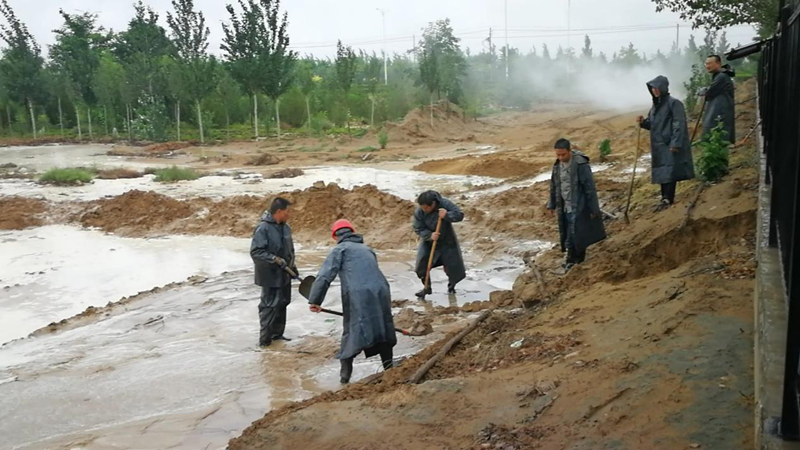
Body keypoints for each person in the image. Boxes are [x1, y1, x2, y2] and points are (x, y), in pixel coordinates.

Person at [308, 219, 397, 384]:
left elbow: (325, 276)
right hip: (381, 290)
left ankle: (344, 377)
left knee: (351, 331)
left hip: (358, 294)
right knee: (382, 326)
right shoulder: (367, 249)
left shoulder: (339, 250)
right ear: (353, 231)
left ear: (335, 236)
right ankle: (389, 368)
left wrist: (315, 300)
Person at [546, 138, 607, 271]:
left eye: (563, 155)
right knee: (568, 232)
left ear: (570, 151)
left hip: (580, 205)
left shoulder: (581, 164)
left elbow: (589, 188)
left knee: (578, 233)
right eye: (558, 155)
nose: (561, 158)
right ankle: (570, 258)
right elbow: (554, 186)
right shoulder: (557, 166)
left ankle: (577, 259)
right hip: (565, 206)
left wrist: (594, 209)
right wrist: (551, 205)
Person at [637, 75, 696, 211]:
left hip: (669, 144)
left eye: (657, 88)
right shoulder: (655, 107)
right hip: (658, 145)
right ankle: (664, 198)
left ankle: (668, 198)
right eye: (652, 89)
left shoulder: (674, 103)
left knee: (670, 171)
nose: (655, 91)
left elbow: (678, 124)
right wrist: (643, 123)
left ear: (663, 88)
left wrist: (675, 143)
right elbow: (653, 124)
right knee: (663, 172)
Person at [250, 197, 296, 347]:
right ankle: (264, 342)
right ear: (278, 211)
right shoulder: (263, 228)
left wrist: (292, 266)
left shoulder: (286, 227)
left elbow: (289, 250)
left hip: (285, 274)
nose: (289, 214)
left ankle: (277, 335)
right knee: (269, 306)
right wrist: (274, 259)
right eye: (287, 211)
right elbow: (256, 252)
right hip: (270, 276)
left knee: (283, 303)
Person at [412, 191, 466, 298]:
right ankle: (427, 288)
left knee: (453, 267)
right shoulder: (419, 212)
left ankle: (452, 287)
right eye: (422, 208)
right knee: (422, 266)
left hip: (447, 241)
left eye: (426, 208)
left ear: (432, 204)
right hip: (429, 242)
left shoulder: (444, 204)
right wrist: (429, 235)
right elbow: (418, 228)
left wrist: (447, 215)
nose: (424, 210)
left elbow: (460, 215)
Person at [700, 54, 736, 144]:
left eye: (710, 63)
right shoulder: (719, 76)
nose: (707, 66)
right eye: (706, 64)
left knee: (718, 142)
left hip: (719, 116)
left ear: (718, 64)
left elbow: (709, 92)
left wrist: (703, 91)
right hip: (718, 115)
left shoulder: (721, 77)